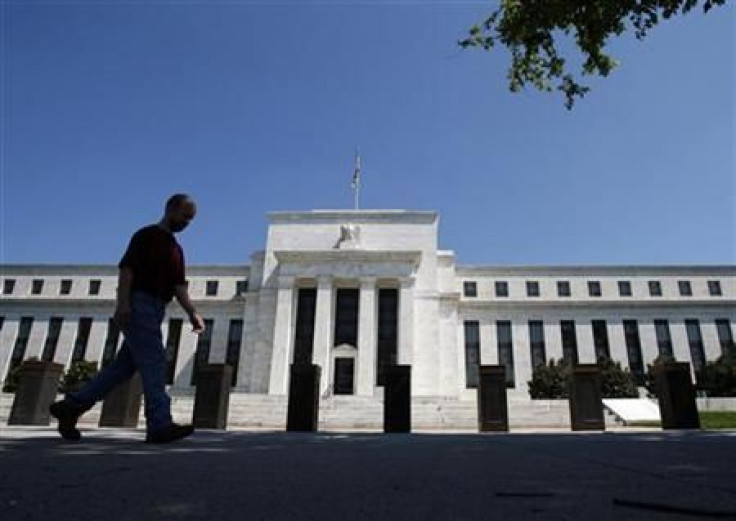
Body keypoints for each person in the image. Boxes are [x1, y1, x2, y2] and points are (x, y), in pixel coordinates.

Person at [50, 194, 205, 443]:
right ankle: (159, 423)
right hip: (139, 302)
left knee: (121, 369)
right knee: (154, 361)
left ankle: (71, 407)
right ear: (170, 208)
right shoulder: (146, 235)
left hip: (156, 309)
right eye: (185, 216)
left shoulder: (176, 249)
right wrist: (123, 303)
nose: (187, 222)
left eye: (190, 219)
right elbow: (127, 269)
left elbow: (178, 286)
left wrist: (192, 313)